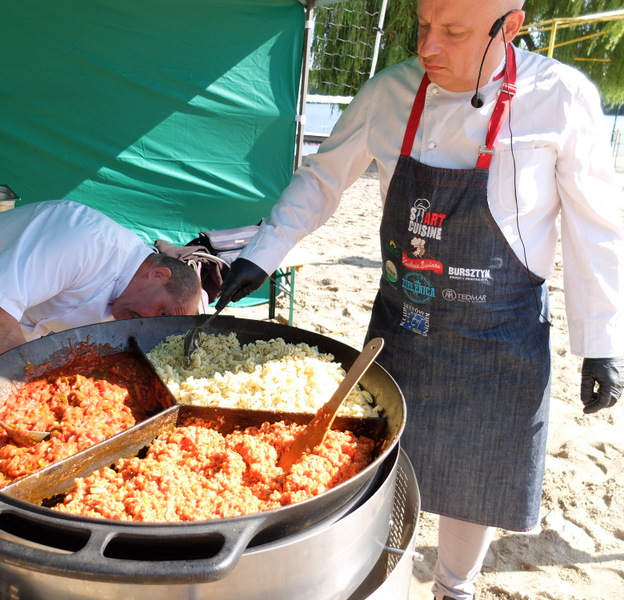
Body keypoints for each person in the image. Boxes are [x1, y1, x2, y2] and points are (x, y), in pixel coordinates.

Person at [217, 1, 624, 598]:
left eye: (453, 32)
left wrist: (603, 343)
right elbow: (324, 177)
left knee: (479, 475)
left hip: (500, 334)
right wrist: (263, 252)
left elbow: (597, 224)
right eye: (423, 26)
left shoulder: (560, 98)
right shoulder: (390, 91)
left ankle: (454, 587)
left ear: (509, 27)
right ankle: (380, 570)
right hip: (401, 325)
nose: (428, 47)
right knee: (377, 461)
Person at [0, 200, 202, 391]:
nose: (151, 322)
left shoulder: (135, 288)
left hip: (18, 317)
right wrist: (35, 386)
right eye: (162, 313)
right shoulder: (84, 243)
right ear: (158, 275)